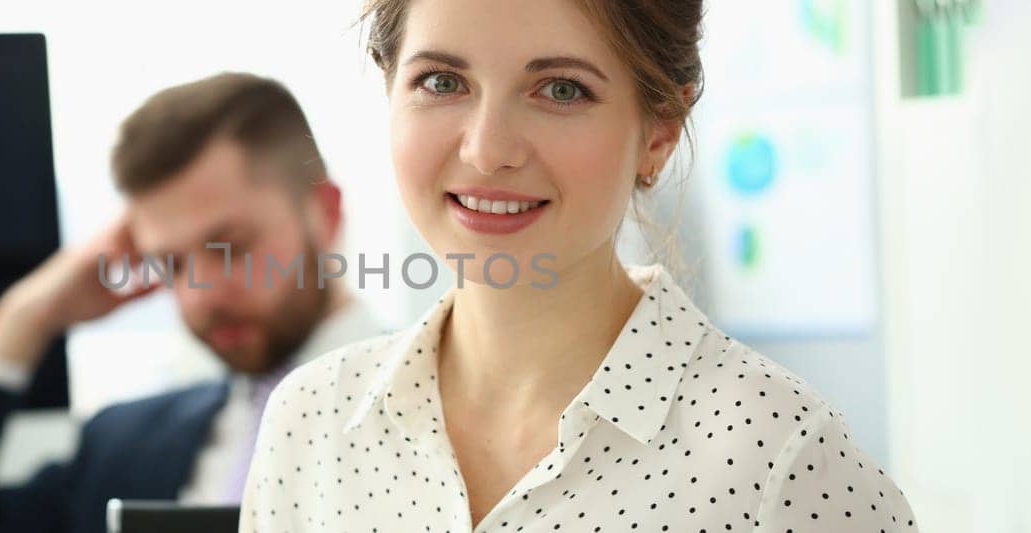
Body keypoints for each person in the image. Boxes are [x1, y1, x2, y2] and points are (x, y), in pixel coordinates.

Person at [239, 1, 918, 532]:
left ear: (659, 132)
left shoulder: (780, 456)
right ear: (390, 89)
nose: (487, 150)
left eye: (561, 90)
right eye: (442, 81)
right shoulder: (310, 423)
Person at [0, 72, 385, 533]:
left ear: (325, 212)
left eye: (229, 247)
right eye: (170, 263)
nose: (198, 295)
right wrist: (24, 317)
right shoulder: (122, 443)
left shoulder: (444, 406)